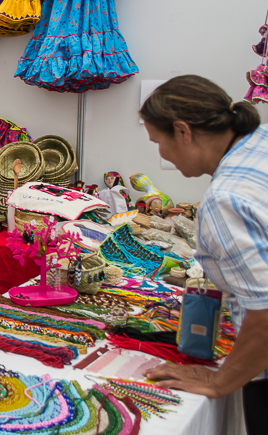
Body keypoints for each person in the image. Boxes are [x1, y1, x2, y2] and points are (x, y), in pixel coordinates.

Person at [138, 75, 268, 434]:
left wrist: (219, 382)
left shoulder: (227, 198)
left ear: (183, 132)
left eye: (157, 142)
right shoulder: (261, 141)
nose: (161, 153)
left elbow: (267, 311)